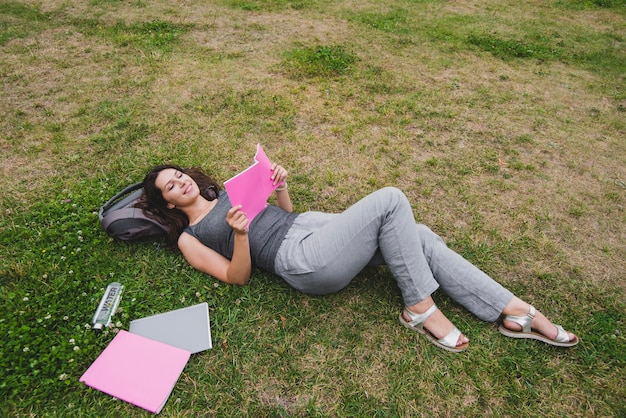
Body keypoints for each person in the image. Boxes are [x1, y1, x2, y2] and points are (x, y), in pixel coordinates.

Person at [137, 161, 578, 352]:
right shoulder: (189, 238)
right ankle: (420, 307)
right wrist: (239, 236)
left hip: (309, 225)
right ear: (169, 204)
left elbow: (285, 215)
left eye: (180, 176)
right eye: (171, 187)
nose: (182, 183)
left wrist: (280, 186)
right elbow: (237, 278)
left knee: (417, 234)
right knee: (391, 199)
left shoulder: (230, 189)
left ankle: (514, 311)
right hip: (298, 261)